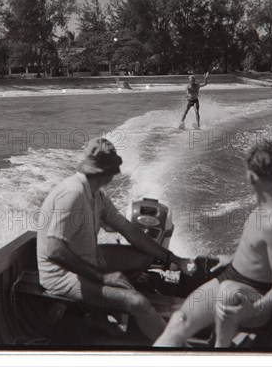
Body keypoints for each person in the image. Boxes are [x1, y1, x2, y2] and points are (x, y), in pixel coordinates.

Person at [37, 137, 194, 341]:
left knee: (144, 257)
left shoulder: (96, 195)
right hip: (60, 276)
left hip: (86, 260)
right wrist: (104, 278)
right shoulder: (72, 194)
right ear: (107, 173)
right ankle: (177, 352)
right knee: (137, 302)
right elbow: (54, 250)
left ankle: (99, 316)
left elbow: (129, 230)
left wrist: (174, 258)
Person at [154, 139, 272, 347]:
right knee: (179, 320)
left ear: (251, 177)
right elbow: (260, 251)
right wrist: (233, 259)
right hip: (233, 276)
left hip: (254, 294)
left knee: (228, 294)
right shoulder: (265, 203)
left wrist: (254, 309)